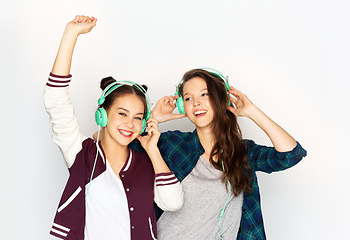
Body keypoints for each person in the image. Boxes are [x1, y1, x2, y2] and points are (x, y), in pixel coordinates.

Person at [44, 15, 183, 240]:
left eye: (138, 117)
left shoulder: (145, 162)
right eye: (122, 114)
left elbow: (173, 202)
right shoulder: (83, 155)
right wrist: (71, 34)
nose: (130, 124)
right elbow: (55, 100)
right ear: (102, 115)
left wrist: (153, 151)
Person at [126, 68, 306, 239]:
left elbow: (291, 155)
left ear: (222, 99)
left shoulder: (243, 153)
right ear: (182, 106)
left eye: (205, 94)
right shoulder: (172, 144)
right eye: (188, 98)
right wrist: (154, 118)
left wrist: (252, 112)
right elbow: (118, 146)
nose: (196, 103)